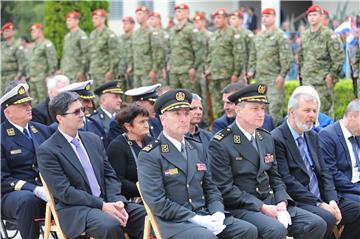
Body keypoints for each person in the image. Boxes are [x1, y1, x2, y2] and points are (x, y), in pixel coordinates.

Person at [208, 83, 326, 239]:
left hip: (270, 201)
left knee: (316, 223)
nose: (261, 113)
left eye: (262, 108)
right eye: (255, 108)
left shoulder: (265, 137)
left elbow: (275, 176)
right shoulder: (222, 142)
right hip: (244, 206)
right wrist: (262, 207)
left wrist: (282, 201)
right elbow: (225, 188)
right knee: (275, 230)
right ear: (238, 110)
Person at [137, 89, 258, 239]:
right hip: (176, 222)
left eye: (186, 113)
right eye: (177, 114)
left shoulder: (196, 147)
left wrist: (218, 211)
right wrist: (195, 218)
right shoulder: (150, 154)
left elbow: (210, 187)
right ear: (163, 120)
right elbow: (157, 202)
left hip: (204, 214)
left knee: (247, 230)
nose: (183, 119)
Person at [37, 91, 146, 239]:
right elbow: (65, 192)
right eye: (76, 111)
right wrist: (102, 205)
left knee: (145, 216)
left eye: (82, 109)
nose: (82, 114)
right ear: (60, 118)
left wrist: (116, 201)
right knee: (111, 225)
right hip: (78, 209)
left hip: (108, 201)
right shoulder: (48, 150)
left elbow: (110, 176)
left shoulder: (92, 139)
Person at [271, 85, 360, 239]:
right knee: (326, 218)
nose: (312, 115)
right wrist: (320, 204)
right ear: (292, 111)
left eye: (314, 110)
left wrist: (331, 200)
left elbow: (325, 173)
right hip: (299, 199)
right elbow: (287, 180)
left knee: (356, 210)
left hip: (323, 196)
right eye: (307, 110)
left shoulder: (312, 135)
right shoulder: (277, 138)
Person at [1, 83, 51, 239]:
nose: (29, 107)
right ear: (8, 112)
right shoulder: (2, 136)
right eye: (22, 105)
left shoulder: (42, 130)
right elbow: (2, 179)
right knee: (27, 199)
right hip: (12, 195)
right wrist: (34, 189)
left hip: (46, 189)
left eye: (29, 102)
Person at [248, 8, 292, 125]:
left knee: (274, 109)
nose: (264, 18)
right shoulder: (258, 37)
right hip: (260, 80)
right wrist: (250, 71)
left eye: (267, 16)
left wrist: (282, 75)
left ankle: (276, 138)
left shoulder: (280, 36)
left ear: (274, 17)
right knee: (261, 110)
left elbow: (286, 57)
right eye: (263, 16)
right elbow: (253, 55)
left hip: (274, 79)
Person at [298, 5, 344, 117]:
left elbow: (338, 58)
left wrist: (331, 76)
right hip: (307, 82)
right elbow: (301, 57)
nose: (312, 18)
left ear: (321, 16)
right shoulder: (305, 36)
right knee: (307, 115)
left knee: (323, 114)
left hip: (322, 83)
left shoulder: (329, 35)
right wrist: (301, 75)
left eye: (315, 15)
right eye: (309, 15)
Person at [107, 104, 153, 200]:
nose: (146, 125)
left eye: (147, 121)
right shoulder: (117, 147)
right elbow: (118, 181)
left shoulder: (152, 142)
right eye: (141, 122)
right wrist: (146, 189)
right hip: (134, 199)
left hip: (157, 194)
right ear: (128, 126)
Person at [206, 8, 246, 118]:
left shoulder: (234, 33)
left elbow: (238, 55)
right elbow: (210, 55)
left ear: (226, 19)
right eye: (215, 18)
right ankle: (219, 125)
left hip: (228, 75)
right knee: (217, 103)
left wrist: (236, 74)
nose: (216, 20)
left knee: (230, 103)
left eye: (219, 18)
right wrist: (208, 71)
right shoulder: (213, 35)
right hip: (215, 75)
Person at [319, 99, 360, 202]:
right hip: (344, 190)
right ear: (351, 116)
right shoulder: (327, 135)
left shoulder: (357, 134)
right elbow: (332, 173)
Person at [57, 80, 108, 147]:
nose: (90, 105)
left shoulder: (96, 124)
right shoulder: (58, 128)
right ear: (72, 102)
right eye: (86, 101)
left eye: (91, 101)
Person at [168, 3, 199, 92]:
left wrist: (194, 67)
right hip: (174, 70)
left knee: (189, 96)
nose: (177, 14)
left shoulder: (191, 29)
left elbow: (197, 50)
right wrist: (169, 63)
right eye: (176, 12)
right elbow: (170, 49)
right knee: (173, 96)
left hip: (187, 70)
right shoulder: (173, 30)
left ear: (187, 13)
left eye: (180, 12)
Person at [88, 9, 119, 88]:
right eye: (93, 18)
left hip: (104, 73)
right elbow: (91, 54)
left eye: (96, 18)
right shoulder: (92, 34)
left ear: (103, 19)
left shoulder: (109, 34)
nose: (93, 20)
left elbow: (114, 55)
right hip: (94, 71)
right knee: (93, 96)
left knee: (105, 96)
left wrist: (111, 71)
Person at [28, 23, 57, 103]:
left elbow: (53, 61)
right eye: (31, 32)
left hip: (42, 78)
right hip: (33, 78)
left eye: (34, 32)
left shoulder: (47, 44)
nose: (31, 34)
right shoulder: (33, 45)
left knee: (44, 101)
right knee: (34, 102)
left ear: (40, 32)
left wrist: (49, 76)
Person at [129, 6, 158, 87]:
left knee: (147, 96)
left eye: (140, 14)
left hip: (147, 71)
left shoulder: (152, 32)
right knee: (137, 96)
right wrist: (131, 66)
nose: (137, 17)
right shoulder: (135, 33)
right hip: (137, 71)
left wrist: (154, 70)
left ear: (146, 16)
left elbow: (156, 52)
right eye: (136, 15)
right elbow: (133, 51)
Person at [192, 13, 212, 125]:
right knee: (196, 95)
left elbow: (211, 53)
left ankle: (207, 121)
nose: (196, 24)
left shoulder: (209, 35)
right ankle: (197, 120)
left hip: (205, 69)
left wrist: (208, 70)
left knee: (205, 96)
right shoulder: (194, 36)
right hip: (196, 68)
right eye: (195, 21)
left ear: (204, 22)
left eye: (199, 21)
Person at [60, 11, 88, 83]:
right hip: (66, 73)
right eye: (67, 20)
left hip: (76, 74)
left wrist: (82, 71)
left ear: (76, 21)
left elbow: (85, 54)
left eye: (69, 20)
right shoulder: (67, 36)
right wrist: (62, 69)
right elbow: (65, 55)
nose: (67, 22)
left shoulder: (81, 35)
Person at [1, 22, 26, 93]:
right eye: (3, 31)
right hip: (2, 77)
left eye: (7, 31)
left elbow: (22, 64)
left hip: (12, 77)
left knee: (10, 100)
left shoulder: (18, 45)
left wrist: (16, 78)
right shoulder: (2, 45)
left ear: (13, 32)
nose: (4, 33)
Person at [149, 12, 169, 87]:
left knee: (161, 90)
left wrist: (164, 68)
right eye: (150, 19)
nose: (150, 21)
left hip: (161, 68)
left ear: (159, 20)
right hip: (150, 68)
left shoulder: (164, 34)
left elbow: (166, 52)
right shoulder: (149, 33)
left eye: (153, 19)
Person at [118, 16, 135, 90]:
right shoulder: (120, 38)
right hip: (121, 70)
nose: (124, 26)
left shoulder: (136, 37)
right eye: (123, 24)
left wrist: (131, 65)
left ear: (132, 25)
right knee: (120, 91)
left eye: (126, 24)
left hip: (132, 70)